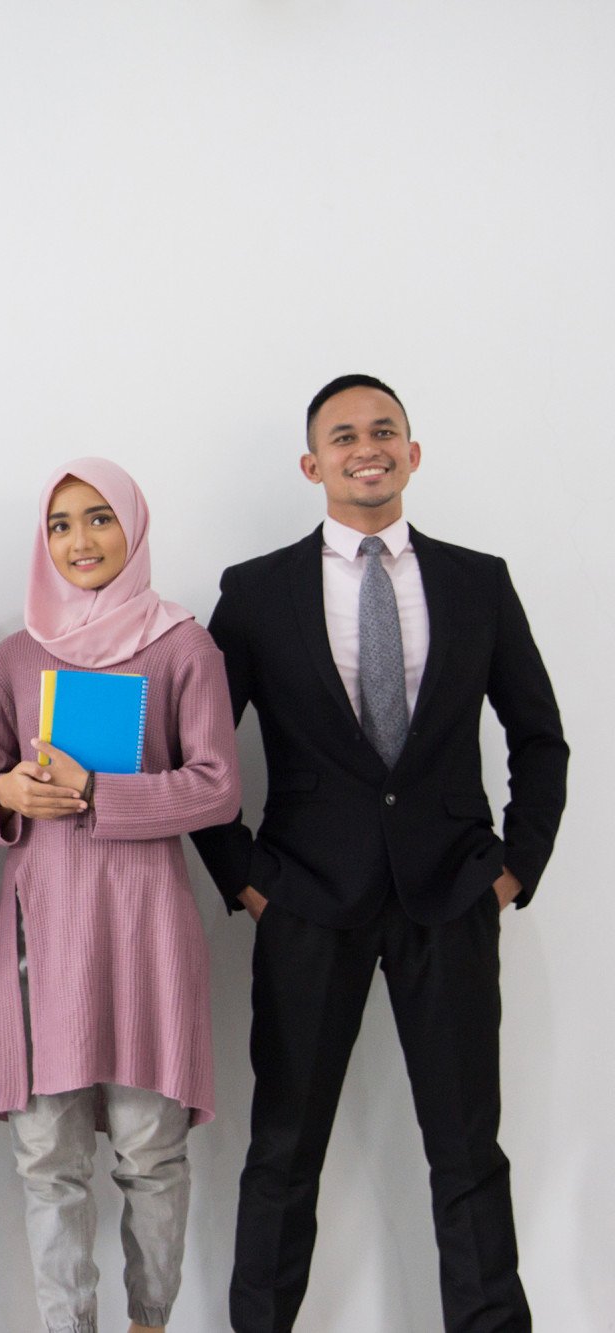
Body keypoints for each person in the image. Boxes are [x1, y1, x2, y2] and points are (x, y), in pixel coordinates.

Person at [191, 375, 567, 1333]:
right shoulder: (258, 588)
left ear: (413, 450)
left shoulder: (478, 580)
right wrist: (244, 878)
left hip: (452, 895)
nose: (370, 445)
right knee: (283, 1149)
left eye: (386, 430)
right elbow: (199, 750)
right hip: (307, 899)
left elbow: (539, 735)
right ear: (313, 464)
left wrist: (514, 866)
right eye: (345, 434)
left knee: (468, 1153)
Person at [0, 458, 241, 1333]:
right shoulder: (18, 654)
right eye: (59, 525)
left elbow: (218, 786)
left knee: (151, 1152)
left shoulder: (183, 644)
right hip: (42, 933)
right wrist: (5, 793)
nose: (79, 541)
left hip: (144, 926)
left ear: (133, 527)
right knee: (46, 1155)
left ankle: (148, 1323)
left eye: (97, 519)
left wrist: (98, 794)